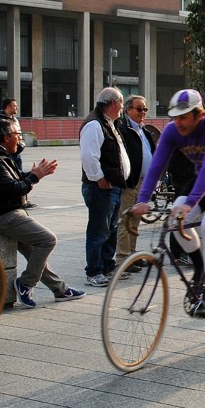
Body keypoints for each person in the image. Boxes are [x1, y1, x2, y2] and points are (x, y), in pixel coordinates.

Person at [131, 89, 205, 318]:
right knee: (175, 221)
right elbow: (157, 165)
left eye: (184, 116)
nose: (179, 122)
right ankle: (199, 268)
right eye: (175, 117)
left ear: (199, 115)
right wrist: (143, 200)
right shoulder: (172, 131)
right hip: (202, 178)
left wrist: (191, 203)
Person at [0, 120, 85, 308]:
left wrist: (32, 174)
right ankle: (25, 284)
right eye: (18, 134)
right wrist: (35, 177)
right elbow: (14, 189)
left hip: (9, 213)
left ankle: (60, 289)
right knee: (48, 239)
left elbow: (11, 182)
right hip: (2, 217)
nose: (20, 138)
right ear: (6, 137)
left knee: (35, 252)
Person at [80, 87, 131, 287]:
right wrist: (100, 179)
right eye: (121, 103)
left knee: (110, 229)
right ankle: (94, 271)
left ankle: (107, 267)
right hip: (101, 188)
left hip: (112, 186)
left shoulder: (108, 122)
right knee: (98, 230)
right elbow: (88, 157)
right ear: (112, 103)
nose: (122, 108)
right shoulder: (94, 124)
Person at [115, 95, 156, 272]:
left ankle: (131, 254)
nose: (143, 113)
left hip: (143, 183)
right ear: (128, 110)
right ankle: (123, 258)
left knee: (135, 221)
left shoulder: (142, 129)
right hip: (130, 183)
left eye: (145, 109)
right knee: (126, 221)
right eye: (139, 109)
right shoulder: (122, 128)